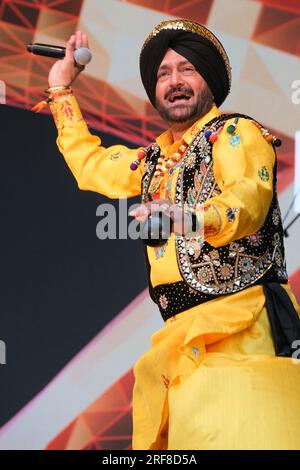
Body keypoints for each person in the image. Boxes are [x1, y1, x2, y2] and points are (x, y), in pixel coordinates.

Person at [42, 20, 300, 450]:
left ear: (209, 81)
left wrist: (191, 217)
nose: (174, 82)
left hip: (243, 338)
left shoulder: (236, 134)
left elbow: (247, 201)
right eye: (163, 74)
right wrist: (61, 90)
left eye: (187, 69)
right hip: (184, 348)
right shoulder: (155, 161)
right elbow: (92, 167)